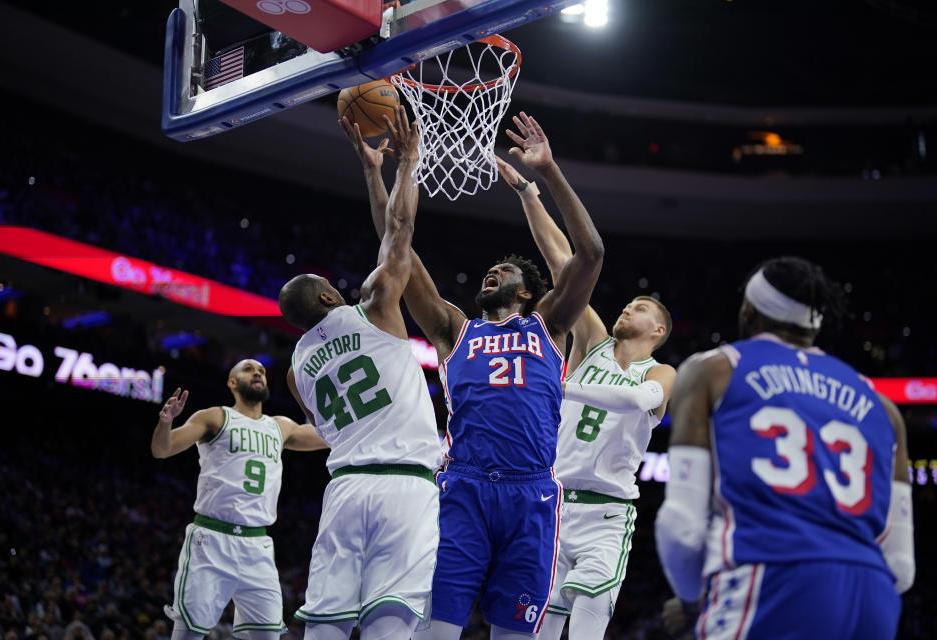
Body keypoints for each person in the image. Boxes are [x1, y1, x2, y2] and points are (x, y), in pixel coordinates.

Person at [343, 110, 605, 639]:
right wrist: (382, 173)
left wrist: (548, 173)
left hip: (531, 496)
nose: (492, 272)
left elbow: (592, 253)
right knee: (437, 631)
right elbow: (398, 250)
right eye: (490, 271)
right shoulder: (451, 329)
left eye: (503, 271)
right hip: (462, 490)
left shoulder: (550, 326)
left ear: (527, 291)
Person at [654, 257, 915, 640]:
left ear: (749, 309)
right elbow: (901, 565)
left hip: (772, 577)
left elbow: (680, 526)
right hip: (872, 599)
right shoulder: (883, 406)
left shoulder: (715, 369)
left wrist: (693, 602)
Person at [494, 158, 677, 639]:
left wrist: (560, 386)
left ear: (657, 330)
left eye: (639, 308)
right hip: (551, 506)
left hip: (606, 513)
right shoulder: (592, 342)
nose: (626, 307)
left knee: (587, 631)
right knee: (537, 630)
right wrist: (528, 192)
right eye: (628, 302)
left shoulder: (658, 371)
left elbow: (640, 401)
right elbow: (563, 264)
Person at [280, 105, 442, 640]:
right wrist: (402, 164)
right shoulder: (372, 305)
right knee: (389, 624)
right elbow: (399, 228)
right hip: (405, 488)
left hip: (345, 489)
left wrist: (374, 170)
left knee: (324, 624)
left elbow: (324, 434)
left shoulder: (296, 368)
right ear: (329, 295)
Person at [151, 359, 328, 640]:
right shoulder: (214, 417)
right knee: (188, 635)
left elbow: (331, 435)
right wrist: (165, 421)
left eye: (261, 371)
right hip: (211, 540)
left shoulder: (280, 427)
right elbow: (163, 449)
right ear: (232, 383)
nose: (257, 372)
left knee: (268, 637)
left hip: (257, 546)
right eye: (248, 369)